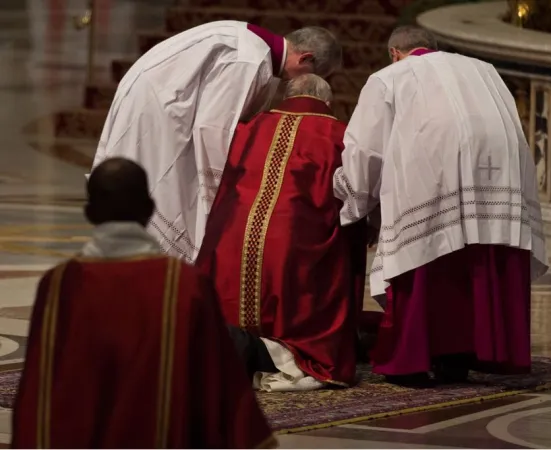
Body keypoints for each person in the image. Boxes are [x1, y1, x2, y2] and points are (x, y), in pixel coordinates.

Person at [333, 26, 549, 387]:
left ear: (394, 53)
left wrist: (351, 198)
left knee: (428, 254)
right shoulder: (484, 70)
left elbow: (365, 150)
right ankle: (464, 355)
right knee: (482, 253)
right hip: (498, 170)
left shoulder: (388, 77)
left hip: (435, 169)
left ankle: (414, 361)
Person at [12, 158, 275, 448]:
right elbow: (218, 384)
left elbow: (39, 393)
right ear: (149, 209)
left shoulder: (60, 285)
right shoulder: (185, 284)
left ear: (89, 212)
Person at [91, 22, 342, 263]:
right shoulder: (250, 59)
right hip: (159, 110)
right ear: (305, 58)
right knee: (168, 198)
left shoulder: (255, 49)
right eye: (315, 75)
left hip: (161, 103)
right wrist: (223, 195)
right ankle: (150, 272)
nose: (302, 85)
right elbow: (213, 128)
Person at [196, 75, 367, 392]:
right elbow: (354, 200)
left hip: (231, 243)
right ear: (327, 103)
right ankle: (278, 352)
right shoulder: (340, 134)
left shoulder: (249, 126)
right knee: (330, 255)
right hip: (294, 252)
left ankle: (230, 345)